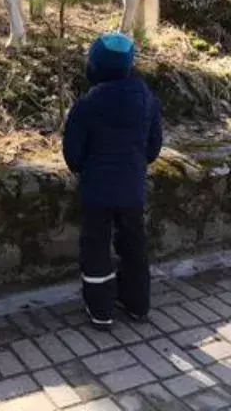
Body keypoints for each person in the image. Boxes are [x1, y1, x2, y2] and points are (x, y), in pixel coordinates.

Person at [63, 32, 162, 329]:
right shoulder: (147, 99)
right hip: (132, 190)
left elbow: (73, 153)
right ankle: (137, 304)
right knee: (134, 244)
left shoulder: (87, 104)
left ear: (94, 66)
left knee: (96, 247)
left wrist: (85, 169)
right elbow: (154, 146)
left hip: (97, 193)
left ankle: (101, 310)